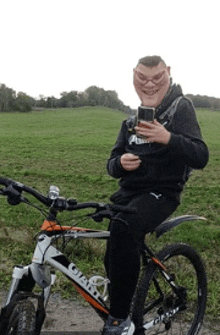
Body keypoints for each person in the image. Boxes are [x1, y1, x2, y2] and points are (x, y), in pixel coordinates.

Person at [102, 55, 209, 335]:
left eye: (157, 78)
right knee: (113, 250)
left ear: (168, 74)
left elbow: (201, 155)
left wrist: (167, 138)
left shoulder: (180, 107)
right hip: (128, 194)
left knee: (124, 229)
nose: (149, 84)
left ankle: (119, 321)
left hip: (163, 192)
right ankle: (125, 304)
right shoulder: (132, 117)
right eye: (142, 78)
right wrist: (121, 162)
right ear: (134, 77)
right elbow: (112, 162)